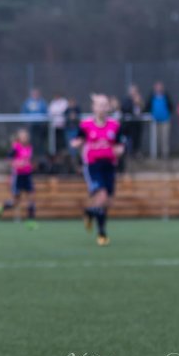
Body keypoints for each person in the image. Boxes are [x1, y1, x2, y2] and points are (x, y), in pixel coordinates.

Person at [71, 93, 123, 246]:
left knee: (108, 202)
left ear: (108, 107)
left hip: (109, 166)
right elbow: (77, 139)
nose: (101, 108)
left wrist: (120, 150)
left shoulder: (115, 125)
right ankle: (101, 233)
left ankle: (89, 213)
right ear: (93, 108)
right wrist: (76, 143)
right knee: (102, 196)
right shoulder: (86, 125)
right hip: (93, 165)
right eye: (99, 105)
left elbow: (119, 144)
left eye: (104, 105)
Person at [0, 128, 37, 227]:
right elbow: (8, 161)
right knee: (16, 201)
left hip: (28, 175)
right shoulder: (15, 148)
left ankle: (31, 221)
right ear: (19, 137)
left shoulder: (30, 147)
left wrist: (31, 165)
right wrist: (17, 163)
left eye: (26, 136)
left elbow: (30, 161)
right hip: (18, 176)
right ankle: (0, 208)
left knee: (31, 198)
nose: (25, 138)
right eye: (22, 136)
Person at [148, 81, 173, 159]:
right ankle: (156, 155)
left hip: (165, 120)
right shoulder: (152, 96)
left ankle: (165, 155)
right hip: (155, 121)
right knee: (156, 138)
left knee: (164, 138)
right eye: (157, 87)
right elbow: (147, 106)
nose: (158, 88)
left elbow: (171, 106)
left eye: (160, 87)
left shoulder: (166, 96)